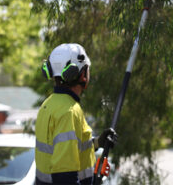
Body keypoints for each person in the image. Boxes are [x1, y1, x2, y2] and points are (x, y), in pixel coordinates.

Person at [35, 43, 116, 185]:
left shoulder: (49, 104)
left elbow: (68, 149)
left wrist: (97, 143)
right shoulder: (69, 112)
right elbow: (64, 177)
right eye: (87, 69)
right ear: (83, 74)